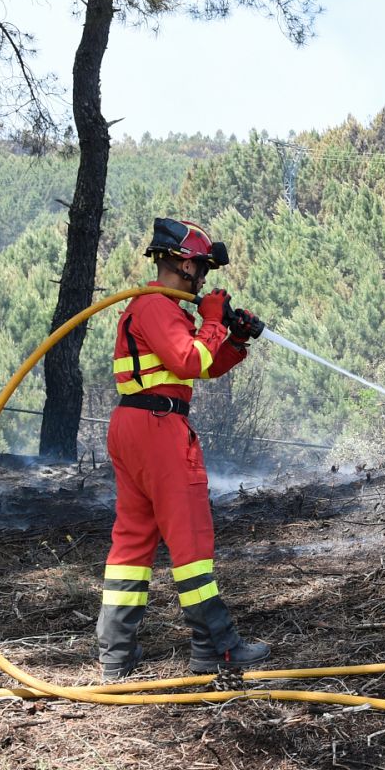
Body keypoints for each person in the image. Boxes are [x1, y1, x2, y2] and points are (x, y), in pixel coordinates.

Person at [97, 218, 269, 681]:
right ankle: (218, 647)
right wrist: (213, 321)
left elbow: (202, 366)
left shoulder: (156, 308)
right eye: (202, 267)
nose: (206, 277)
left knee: (133, 541)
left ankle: (116, 659)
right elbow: (189, 360)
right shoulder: (157, 305)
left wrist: (233, 338)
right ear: (180, 262)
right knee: (191, 539)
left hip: (135, 424)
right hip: (158, 429)